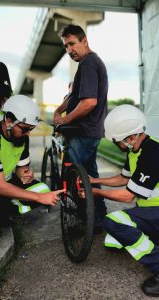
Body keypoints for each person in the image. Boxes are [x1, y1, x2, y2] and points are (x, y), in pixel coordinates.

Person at [90, 104, 159, 297]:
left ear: (130, 137)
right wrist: (95, 181)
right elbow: (124, 179)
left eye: (117, 141)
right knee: (113, 241)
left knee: (112, 222)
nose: (117, 145)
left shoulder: (153, 153)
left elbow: (128, 195)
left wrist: (97, 193)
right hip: (158, 213)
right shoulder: (135, 151)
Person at [0, 95, 64, 245]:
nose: (28, 134)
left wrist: (24, 174)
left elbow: (21, 168)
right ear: (9, 121)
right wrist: (38, 198)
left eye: (31, 129)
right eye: (25, 129)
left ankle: (1, 211)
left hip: (0, 183)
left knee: (42, 189)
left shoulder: (21, 137)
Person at [53, 24, 108, 231]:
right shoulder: (87, 64)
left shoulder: (89, 63)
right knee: (90, 175)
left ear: (84, 41)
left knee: (75, 177)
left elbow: (89, 103)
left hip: (84, 131)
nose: (69, 50)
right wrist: (59, 111)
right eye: (66, 46)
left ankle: (89, 220)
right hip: (88, 131)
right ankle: (99, 215)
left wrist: (64, 121)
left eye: (72, 44)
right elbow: (74, 96)